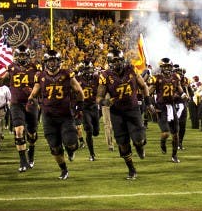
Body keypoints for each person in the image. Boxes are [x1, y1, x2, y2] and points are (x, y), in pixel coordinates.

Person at [28, 49, 85, 180]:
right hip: (48, 116)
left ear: (59, 62)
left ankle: (71, 150)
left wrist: (79, 107)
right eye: (50, 61)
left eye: (54, 61)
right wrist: (30, 100)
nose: (52, 63)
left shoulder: (67, 74)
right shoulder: (40, 76)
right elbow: (35, 92)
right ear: (45, 62)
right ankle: (64, 170)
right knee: (54, 147)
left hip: (65, 115)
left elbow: (79, 91)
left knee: (71, 143)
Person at [98, 49, 151, 180]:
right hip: (117, 113)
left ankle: (139, 146)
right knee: (123, 143)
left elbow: (143, 86)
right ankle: (132, 169)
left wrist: (148, 103)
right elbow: (98, 98)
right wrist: (105, 101)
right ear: (109, 62)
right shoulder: (105, 75)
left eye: (119, 60)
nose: (117, 63)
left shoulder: (131, 70)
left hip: (132, 109)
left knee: (138, 140)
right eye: (114, 61)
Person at [0, 45, 40, 172]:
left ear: (28, 55)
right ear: (16, 56)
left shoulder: (35, 68)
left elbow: (41, 83)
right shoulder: (12, 68)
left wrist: (33, 92)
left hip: (31, 103)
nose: (22, 58)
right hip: (16, 104)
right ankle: (23, 161)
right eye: (20, 55)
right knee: (19, 131)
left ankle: (31, 152)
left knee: (32, 133)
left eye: (24, 55)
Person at [148, 58, 184, 163]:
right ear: (161, 68)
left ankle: (174, 155)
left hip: (171, 106)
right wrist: (150, 104)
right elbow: (148, 92)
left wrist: (184, 95)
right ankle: (162, 142)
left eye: (169, 66)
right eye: (165, 67)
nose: (167, 68)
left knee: (175, 134)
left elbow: (180, 89)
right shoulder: (157, 78)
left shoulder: (175, 77)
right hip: (161, 107)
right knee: (165, 133)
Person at [76, 59, 101, 161]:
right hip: (85, 108)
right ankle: (92, 154)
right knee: (89, 130)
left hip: (94, 107)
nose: (88, 71)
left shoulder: (96, 78)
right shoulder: (78, 80)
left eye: (90, 69)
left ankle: (92, 153)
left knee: (96, 132)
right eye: (86, 69)